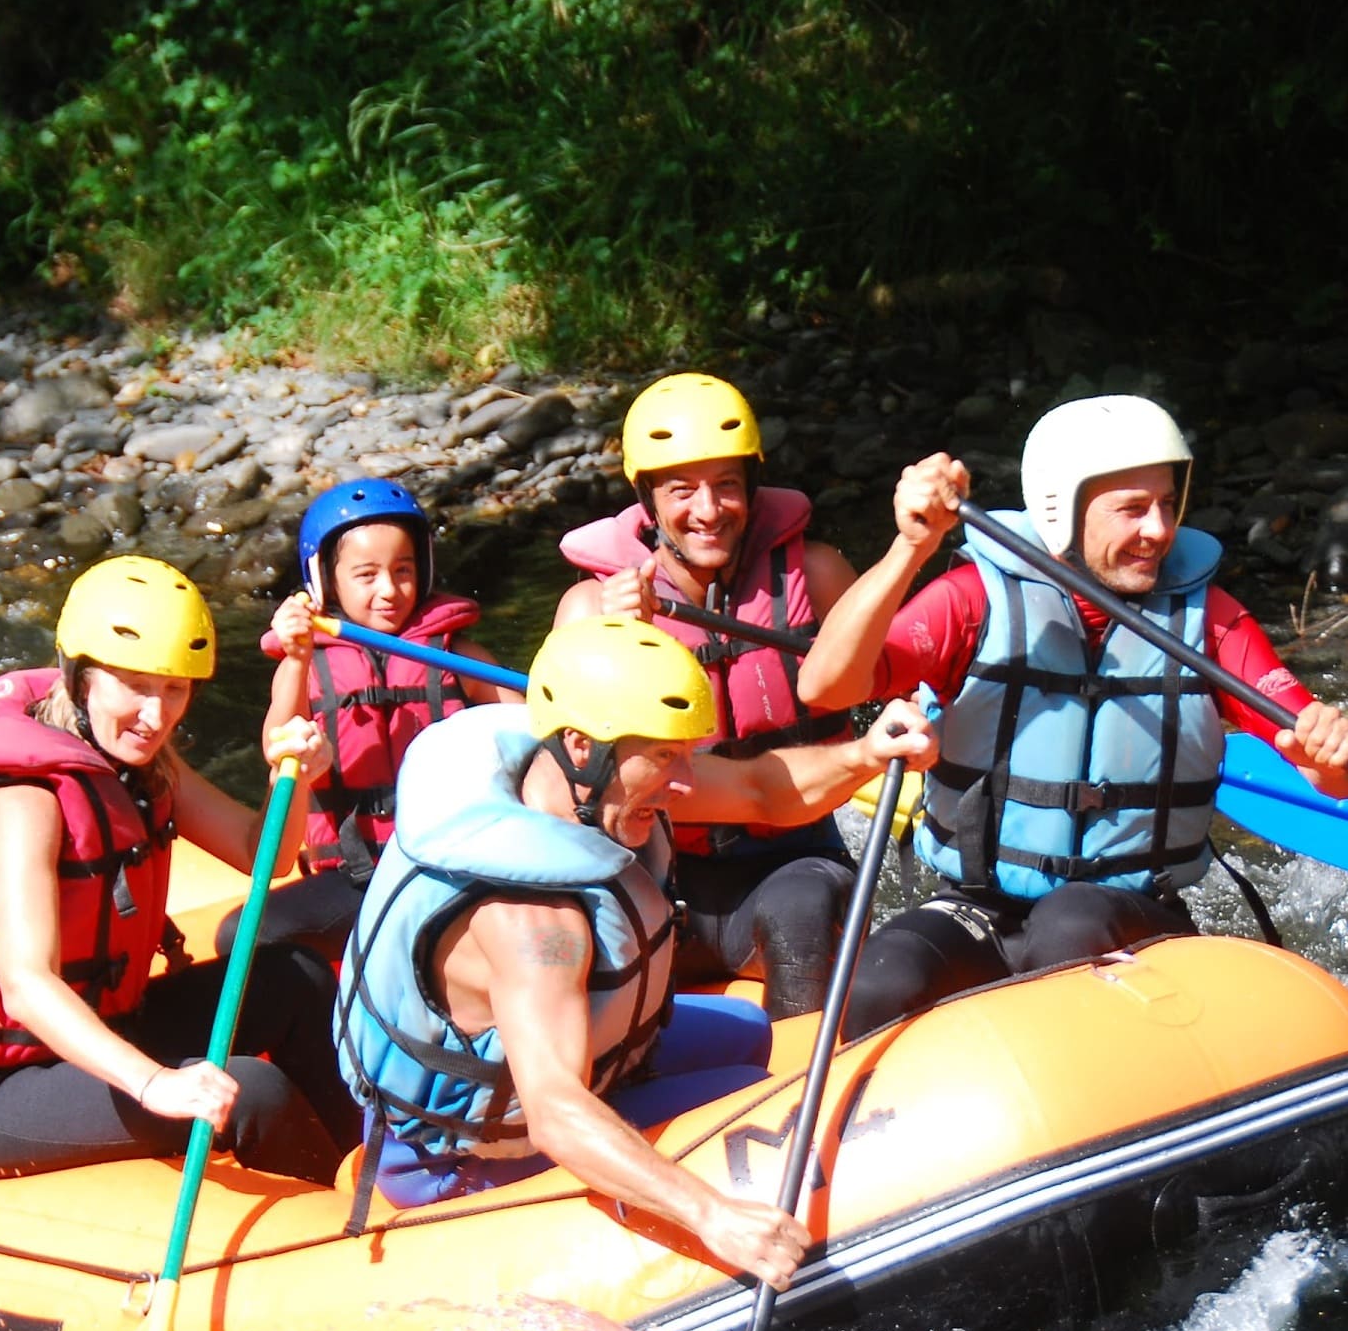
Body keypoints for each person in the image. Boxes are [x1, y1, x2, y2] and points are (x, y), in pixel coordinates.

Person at [335, 615, 934, 1285]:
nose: (685, 781)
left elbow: (759, 788)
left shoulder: (594, 779)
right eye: (664, 756)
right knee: (751, 1097)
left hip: (573, 1061)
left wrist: (862, 755)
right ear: (578, 744)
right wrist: (712, 1214)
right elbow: (556, 1113)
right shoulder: (531, 922)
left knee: (746, 1031)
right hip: (462, 1154)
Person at [792, 394, 1348, 1040]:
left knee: (1069, 920)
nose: (1159, 529)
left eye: (1167, 503)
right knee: (878, 979)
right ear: (1063, 511)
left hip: (1132, 912)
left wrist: (1327, 752)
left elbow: (1320, 769)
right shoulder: (972, 601)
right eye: (1132, 509)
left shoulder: (1211, 619)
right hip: (979, 904)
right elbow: (824, 686)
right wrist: (910, 548)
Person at [0, 554, 364, 1185]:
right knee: (252, 1089)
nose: (156, 716)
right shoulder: (23, 802)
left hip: (107, 1024)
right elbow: (27, 988)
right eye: (135, 685)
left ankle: (369, 1169)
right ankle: (339, 1230)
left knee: (293, 978)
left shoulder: (146, 765)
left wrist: (293, 776)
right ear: (81, 679)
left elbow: (255, 849)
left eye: (174, 689)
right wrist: (154, 1082)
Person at [554, 372, 898, 1017]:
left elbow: (898, 684)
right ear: (647, 500)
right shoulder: (588, 609)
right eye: (682, 490)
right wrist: (616, 641)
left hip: (792, 860)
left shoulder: (817, 574)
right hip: (650, 874)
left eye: (727, 486)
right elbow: (572, 784)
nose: (708, 511)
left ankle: (808, 1095)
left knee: (800, 910)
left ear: (752, 487)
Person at [240, 478, 521, 957]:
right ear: (326, 580)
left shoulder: (457, 656)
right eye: (366, 575)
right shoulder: (308, 669)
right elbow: (277, 741)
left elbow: (534, 722)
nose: (389, 590)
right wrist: (295, 656)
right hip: (355, 875)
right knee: (245, 934)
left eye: (404, 570)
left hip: (450, 864)